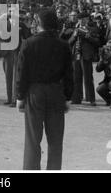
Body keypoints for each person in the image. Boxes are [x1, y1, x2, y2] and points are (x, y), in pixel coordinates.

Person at [16, 9, 73, 170]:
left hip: (35, 92)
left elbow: (22, 73)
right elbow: (69, 74)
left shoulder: (28, 43)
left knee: (33, 139)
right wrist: (68, 97)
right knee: (55, 141)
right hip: (56, 92)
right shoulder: (63, 45)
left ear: (39, 23)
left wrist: (20, 97)